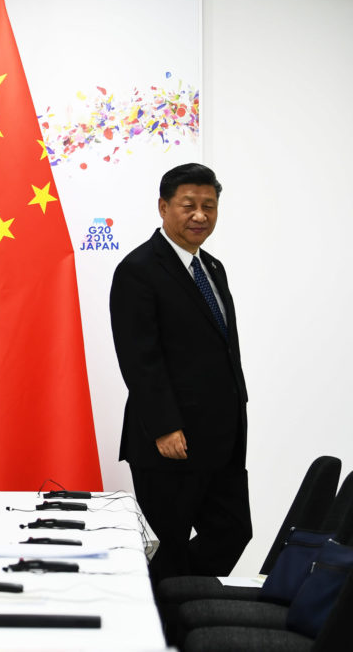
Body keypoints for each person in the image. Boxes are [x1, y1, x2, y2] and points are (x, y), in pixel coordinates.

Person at [109, 163, 250, 583]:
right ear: (163, 207)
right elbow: (139, 358)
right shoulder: (138, 269)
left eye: (209, 205)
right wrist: (165, 426)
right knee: (168, 544)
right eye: (189, 205)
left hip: (222, 438)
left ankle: (180, 599)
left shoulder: (213, 268)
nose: (200, 215)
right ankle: (168, 613)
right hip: (171, 441)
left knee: (233, 532)